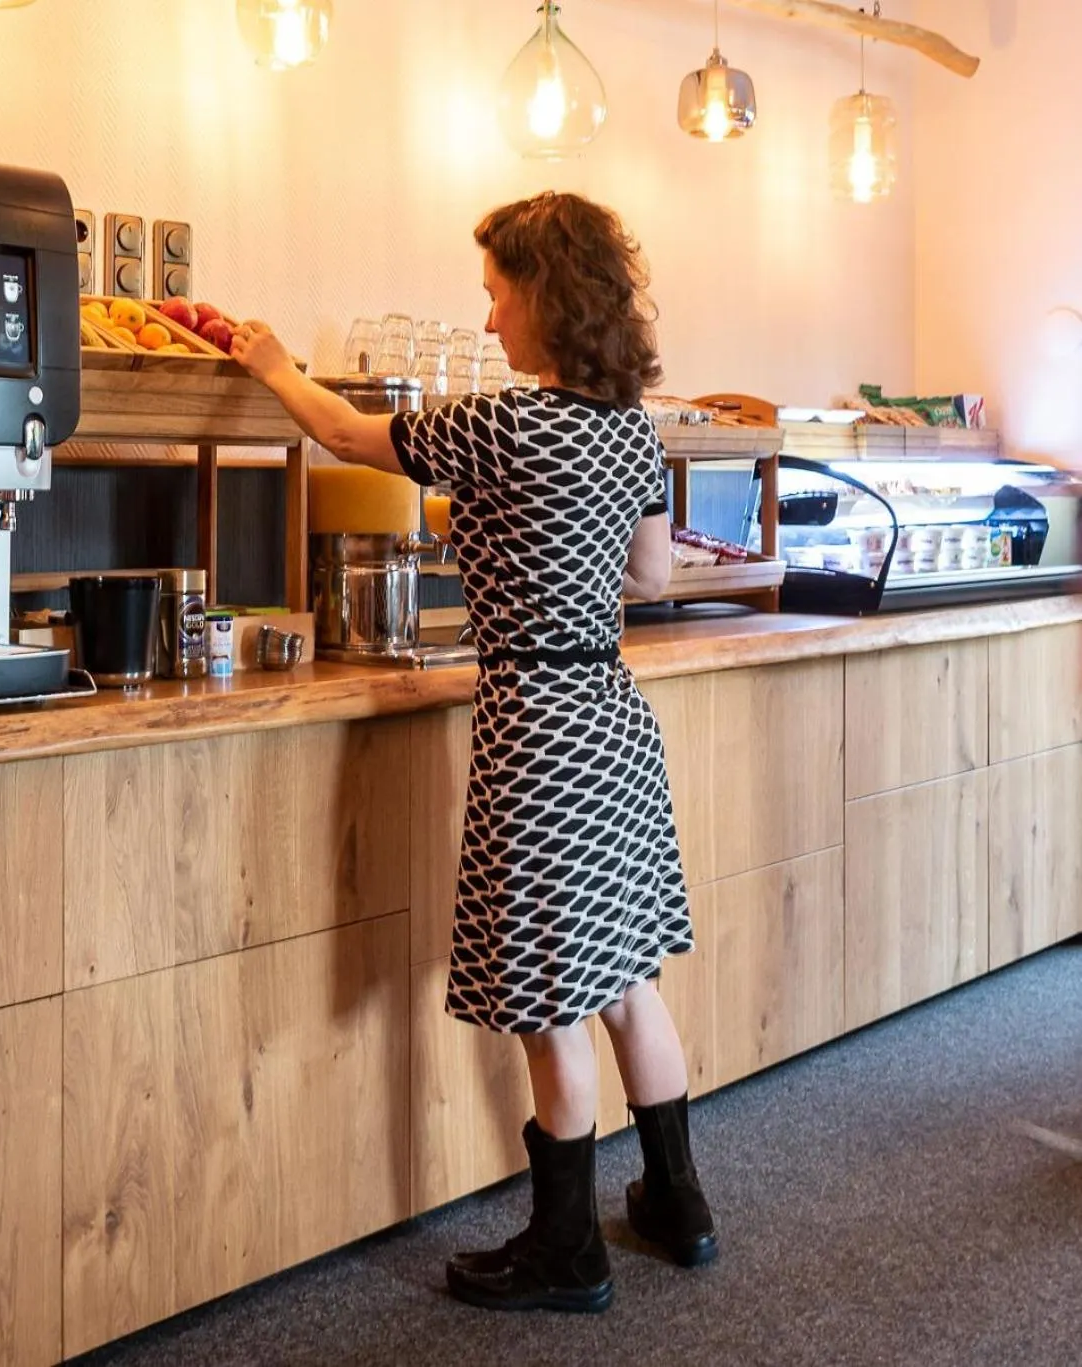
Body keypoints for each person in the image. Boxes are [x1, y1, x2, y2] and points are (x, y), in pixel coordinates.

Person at [230, 192, 715, 1315]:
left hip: (535, 723)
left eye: (496, 294)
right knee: (625, 980)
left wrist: (271, 364)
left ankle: (566, 1250)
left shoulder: (501, 425)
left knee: (547, 999)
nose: (489, 319)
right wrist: (539, 546)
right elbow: (649, 575)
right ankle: (676, 1205)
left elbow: (347, 436)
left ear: (544, 293)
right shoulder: (629, 430)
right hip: (609, 711)